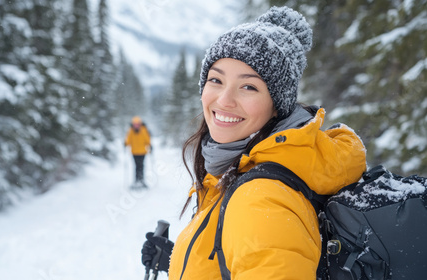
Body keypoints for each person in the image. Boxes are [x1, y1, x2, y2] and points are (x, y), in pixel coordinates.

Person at [141, 6, 367, 279]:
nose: (224, 100)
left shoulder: (260, 199)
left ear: (277, 106)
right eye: (216, 80)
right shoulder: (253, 169)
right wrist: (180, 260)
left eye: (249, 86)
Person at [125, 116, 151, 188]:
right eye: (135, 124)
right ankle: (137, 180)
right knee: (137, 166)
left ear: (140, 124)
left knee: (141, 166)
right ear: (133, 124)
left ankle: (141, 180)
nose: (136, 126)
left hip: (142, 152)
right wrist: (125, 143)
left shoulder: (144, 130)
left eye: (137, 124)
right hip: (134, 152)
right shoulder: (131, 131)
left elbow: (147, 140)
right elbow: (128, 140)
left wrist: (150, 145)